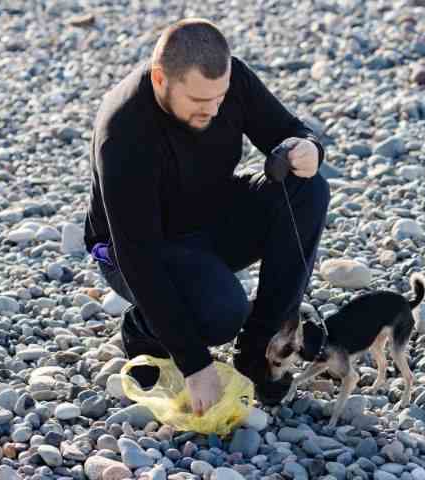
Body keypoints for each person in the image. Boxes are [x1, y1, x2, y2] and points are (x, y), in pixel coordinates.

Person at [83, 17, 330, 416]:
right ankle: (143, 328)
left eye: (220, 98)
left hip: (209, 217)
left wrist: (308, 149)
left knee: (308, 188)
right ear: (161, 80)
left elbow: (287, 130)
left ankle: (258, 351)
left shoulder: (226, 83)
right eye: (200, 102)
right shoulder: (124, 131)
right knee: (220, 314)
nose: (214, 109)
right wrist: (194, 363)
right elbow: (137, 256)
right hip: (139, 248)